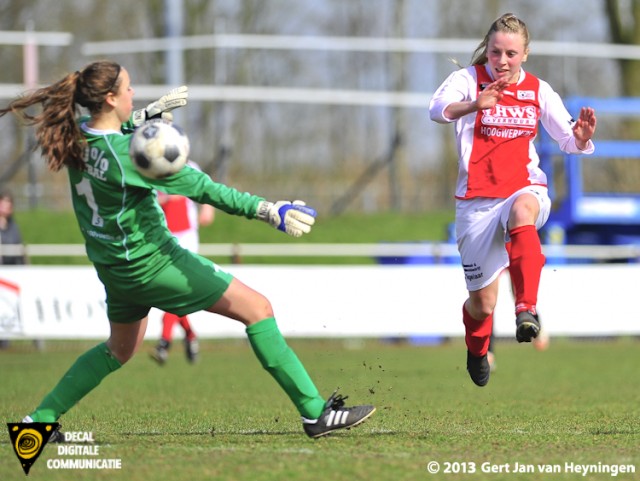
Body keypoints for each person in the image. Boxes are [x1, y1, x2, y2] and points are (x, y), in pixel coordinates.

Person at [0, 60, 375, 439]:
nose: (133, 94)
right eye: (128, 89)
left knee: (119, 348)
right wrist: (267, 210)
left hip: (115, 269)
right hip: (154, 262)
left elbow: (111, 135)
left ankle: (37, 421)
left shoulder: (78, 137)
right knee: (258, 309)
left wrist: (144, 117)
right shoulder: (128, 155)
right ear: (110, 98)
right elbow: (203, 189)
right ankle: (315, 413)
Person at [429, 13, 596, 387]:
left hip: (523, 187)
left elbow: (568, 139)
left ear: (526, 54)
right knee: (482, 305)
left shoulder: (539, 90)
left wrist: (581, 137)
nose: (502, 61)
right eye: (495, 52)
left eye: (511, 54)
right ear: (486, 50)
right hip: (475, 204)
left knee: (524, 210)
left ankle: (526, 308)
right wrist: (476, 105)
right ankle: (476, 349)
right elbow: (436, 110)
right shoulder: (467, 80)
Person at [151, 166, 216, 365]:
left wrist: (207, 207)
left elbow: (206, 189)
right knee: (171, 292)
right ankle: (190, 336)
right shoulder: (150, 165)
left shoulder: (188, 165)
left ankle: (164, 343)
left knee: (174, 292)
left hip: (185, 236)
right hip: (164, 236)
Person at [0, 189, 27, 266]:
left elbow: (18, 246)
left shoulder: (13, 227)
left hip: (10, 268)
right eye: (3, 202)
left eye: (8, 203)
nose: (6, 206)